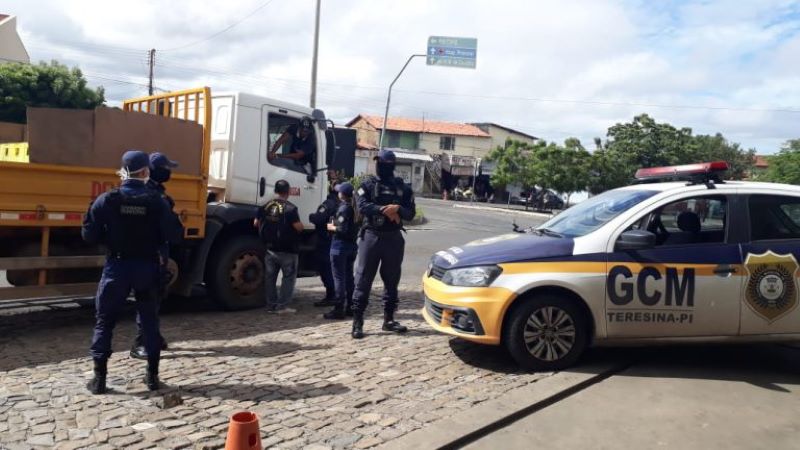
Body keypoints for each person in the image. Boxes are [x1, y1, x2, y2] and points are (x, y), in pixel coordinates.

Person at [82, 150, 183, 394]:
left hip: (116, 267)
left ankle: (100, 379)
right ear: (146, 172)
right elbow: (175, 235)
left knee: (104, 321)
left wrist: (110, 238)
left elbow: (88, 234)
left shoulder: (107, 200)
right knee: (149, 321)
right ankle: (152, 377)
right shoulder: (157, 201)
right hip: (146, 268)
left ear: (123, 171)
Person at [350, 150, 416, 339]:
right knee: (363, 279)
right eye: (380, 162)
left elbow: (410, 213)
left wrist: (398, 209)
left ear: (392, 165)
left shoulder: (403, 188)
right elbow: (362, 206)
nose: (382, 166)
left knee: (392, 281)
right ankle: (357, 322)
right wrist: (384, 210)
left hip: (393, 238)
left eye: (385, 163)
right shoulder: (367, 184)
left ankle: (388, 319)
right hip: (371, 236)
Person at [130, 152, 184, 360]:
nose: (169, 172)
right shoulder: (155, 196)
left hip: (149, 252)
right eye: (167, 168)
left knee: (154, 297)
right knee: (149, 298)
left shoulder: (151, 192)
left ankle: (153, 335)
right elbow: (170, 230)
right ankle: (142, 341)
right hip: (151, 254)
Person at [256, 179, 304, 313]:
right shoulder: (291, 208)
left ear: (275, 190)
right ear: (288, 191)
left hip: (270, 249)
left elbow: (256, 223)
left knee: (270, 278)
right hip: (288, 250)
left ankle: (271, 305)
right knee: (288, 278)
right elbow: (298, 228)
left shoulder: (264, 206)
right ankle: (282, 306)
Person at [323, 182, 359, 320]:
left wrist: (330, 227)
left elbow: (341, 229)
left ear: (342, 194)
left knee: (339, 278)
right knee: (349, 277)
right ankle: (350, 306)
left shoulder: (344, 208)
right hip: (351, 247)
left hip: (340, 247)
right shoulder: (354, 207)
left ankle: (339, 308)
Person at [308, 179, 339, 307]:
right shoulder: (345, 204)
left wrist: (311, 216)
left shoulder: (329, 204)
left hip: (325, 241)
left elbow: (318, 218)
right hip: (338, 240)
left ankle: (331, 295)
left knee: (326, 269)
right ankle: (338, 295)